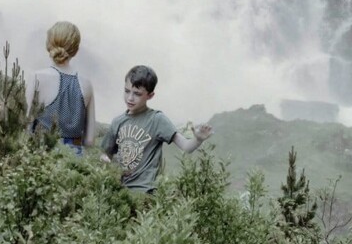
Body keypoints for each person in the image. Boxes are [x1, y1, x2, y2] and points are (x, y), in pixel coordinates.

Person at [102, 65, 213, 193]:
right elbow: (105, 154)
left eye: (137, 94)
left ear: (150, 95)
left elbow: (186, 146)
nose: (130, 98)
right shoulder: (117, 122)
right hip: (120, 192)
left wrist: (198, 139)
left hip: (146, 193)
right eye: (127, 91)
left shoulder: (157, 119)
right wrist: (107, 165)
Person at [28, 21, 96, 153]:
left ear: (49, 44)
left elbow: (25, 126)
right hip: (74, 160)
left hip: (42, 153)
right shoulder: (87, 84)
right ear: (75, 49)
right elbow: (89, 140)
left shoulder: (37, 78)